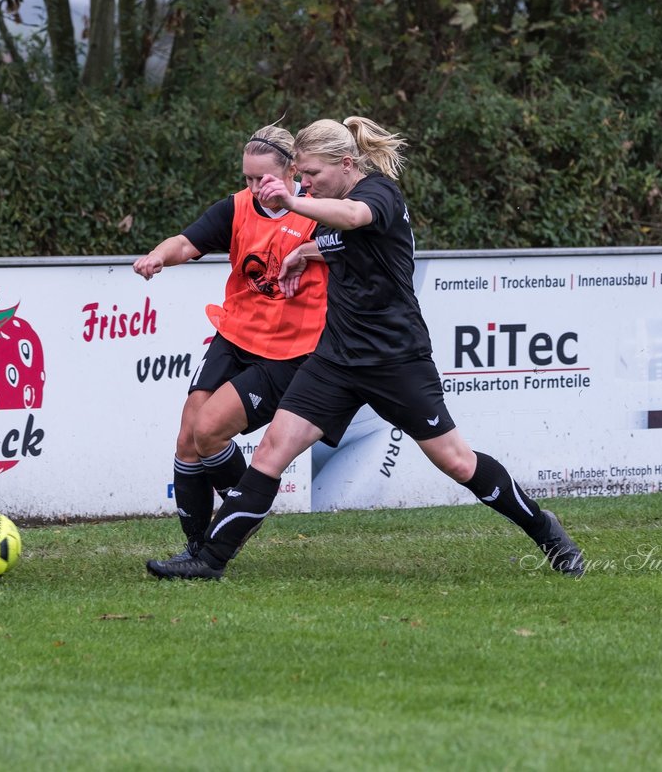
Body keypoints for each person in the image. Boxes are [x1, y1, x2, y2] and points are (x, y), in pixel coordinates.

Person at [146, 116, 585, 580]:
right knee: (271, 451)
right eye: (301, 175)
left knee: (457, 462)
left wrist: (293, 201)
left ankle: (545, 530)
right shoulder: (326, 200)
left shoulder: (377, 194)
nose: (306, 183)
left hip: (395, 360)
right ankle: (209, 560)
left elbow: (355, 221)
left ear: (347, 163)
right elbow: (339, 242)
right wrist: (303, 253)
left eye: (312, 174)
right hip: (335, 359)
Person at [133, 124, 328, 561]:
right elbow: (188, 241)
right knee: (188, 436)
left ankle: (241, 515)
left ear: (292, 170)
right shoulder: (237, 207)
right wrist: (159, 257)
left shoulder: (319, 209)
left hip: (286, 352)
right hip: (234, 334)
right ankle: (198, 547)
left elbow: (356, 243)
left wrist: (306, 253)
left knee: (209, 430)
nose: (255, 187)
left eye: (263, 178)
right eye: (247, 178)